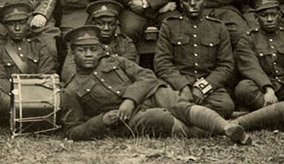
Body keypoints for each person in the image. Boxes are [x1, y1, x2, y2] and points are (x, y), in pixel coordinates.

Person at [59, 25, 246, 142]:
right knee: (158, 118)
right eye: (82, 50)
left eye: (93, 49)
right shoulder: (71, 90)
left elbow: (148, 76)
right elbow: (72, 131)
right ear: (72, 54)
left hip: (148, 96)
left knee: (174, 100)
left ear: (100, 50)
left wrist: (130, 99)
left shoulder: (116, 61)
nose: (89, 54)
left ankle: (225, 127)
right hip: (125, 119)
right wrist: (100, 121)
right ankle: (212, 131)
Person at [154, 0, 237, 118]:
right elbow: (162, 63)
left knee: (225, 106)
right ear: (180, 3)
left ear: (204, 1)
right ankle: (204, 118)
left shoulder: (218, 27)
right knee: (163, 101)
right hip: (178, 84)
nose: (192, 3)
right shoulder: (169, 25)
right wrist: (183, 86)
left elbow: (226, 65)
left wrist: (203, 87)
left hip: (208, 84)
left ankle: (187, 116)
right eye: (187, 0)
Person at [0, 2, 57, 122]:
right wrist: (21, 95)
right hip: (11, 96)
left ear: (28, 22)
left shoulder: (38, 46)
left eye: (22, 23)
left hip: (38, 94)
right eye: (12, 24)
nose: (17, 28)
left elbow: (47, 74)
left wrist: (33, 94)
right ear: (5, 25)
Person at [60, 0, 137, 82]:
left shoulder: (125, 43)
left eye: (111, 24)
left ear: (116, 25)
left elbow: (130, 72)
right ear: (92, 24)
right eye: (100, 24)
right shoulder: (80, 43)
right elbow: (68, 72)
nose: (106, 28)